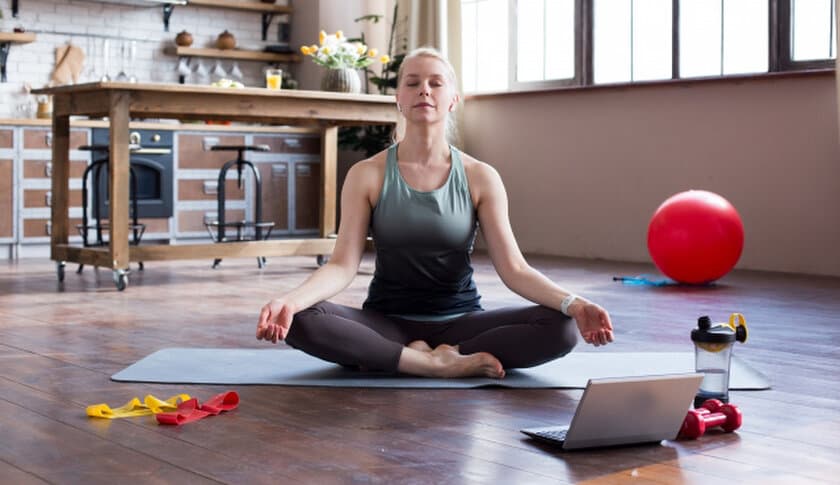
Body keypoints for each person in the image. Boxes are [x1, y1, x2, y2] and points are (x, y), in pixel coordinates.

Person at [256, 47, 614, 379]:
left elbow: (515, 269)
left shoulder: (480, 177)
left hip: (461, 322)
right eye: (412, 83)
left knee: (563, 328)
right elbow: (342, 266)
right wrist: (290, 301)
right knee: (302, 320)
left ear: (453, 100)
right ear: (398, 98)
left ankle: (437, 355)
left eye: (435, 83)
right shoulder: (367, 174)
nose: (423, 90)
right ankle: (431, 364)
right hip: (386, 321)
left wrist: (574, 304)